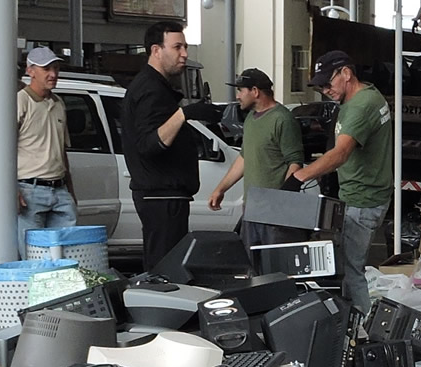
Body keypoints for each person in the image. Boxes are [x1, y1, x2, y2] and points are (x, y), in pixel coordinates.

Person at [288, 50, 393, 314]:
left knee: (350, 271)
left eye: (328, 82)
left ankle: (362, 329)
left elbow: (341, 153)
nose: (325, 90)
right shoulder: (369, 95)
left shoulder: (360, 106)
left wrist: (299, 177)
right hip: (363, 197)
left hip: (361, 200)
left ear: (346, 73)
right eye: (320, 85)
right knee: (346, 267)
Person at [121, 20, 203, 273]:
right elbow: (148, 144)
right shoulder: (150, 89)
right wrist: (183, 115)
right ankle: (158, 309)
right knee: (165, 272)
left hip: (164, 196)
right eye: (177, 47)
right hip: (161, 197)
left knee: (168, 268)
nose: (184, 54)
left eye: (185, 46)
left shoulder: (155, 87)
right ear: (156, 50)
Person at [207, 67, 305, 252]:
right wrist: (221, 189)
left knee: (275, 268)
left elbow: (295, 163)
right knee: (254, 270)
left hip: (274, 215)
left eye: (241, 90)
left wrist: (280, 201)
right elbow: (244, 158)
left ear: (255, 91)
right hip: (251, 210)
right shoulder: (251, 118)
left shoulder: (282, 119)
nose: (237, 96)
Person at [16, 46, 77, 259]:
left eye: (56, 68)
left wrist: (70, 190)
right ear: (30, 70)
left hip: (59, 189)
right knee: (35, 258)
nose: (53, 74)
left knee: (67, 256)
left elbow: (62, 150)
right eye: (46, 69)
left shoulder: (58, 103)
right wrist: (12, 189)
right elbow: (5, 149)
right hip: (29, 190)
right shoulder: (20, 101)